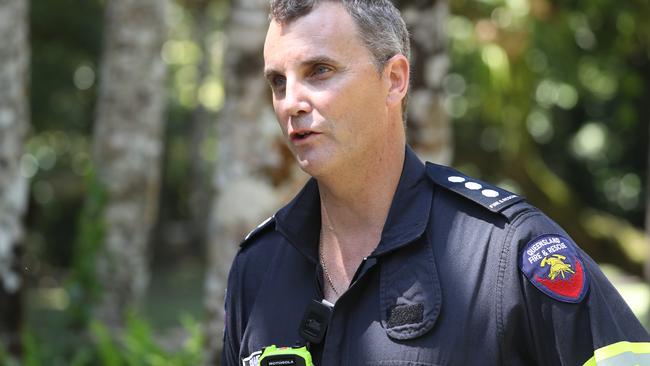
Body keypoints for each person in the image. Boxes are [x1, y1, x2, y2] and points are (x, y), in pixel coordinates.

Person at [221, 0, 650, 365]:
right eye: (278, 81)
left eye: (319, 70)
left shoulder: (507, 250)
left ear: (394, 80)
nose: (291, 102)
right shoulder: (258, 267)